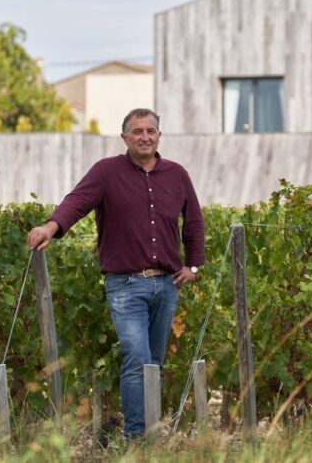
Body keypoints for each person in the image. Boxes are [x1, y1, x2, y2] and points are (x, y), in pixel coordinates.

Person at [27, 108, 204, 439]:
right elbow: (76, 202)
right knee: (137, 359)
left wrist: (193, 265)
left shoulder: (177, 174)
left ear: (159, 136)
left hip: (167, 285)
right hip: (125, 285)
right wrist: (51, 226)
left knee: (154, 364)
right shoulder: (106, 172)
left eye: (150, 131)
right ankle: (137, 439)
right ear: (124, 138)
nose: (145, 137)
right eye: (137, 131)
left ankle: (150, 432)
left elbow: (193, 220)